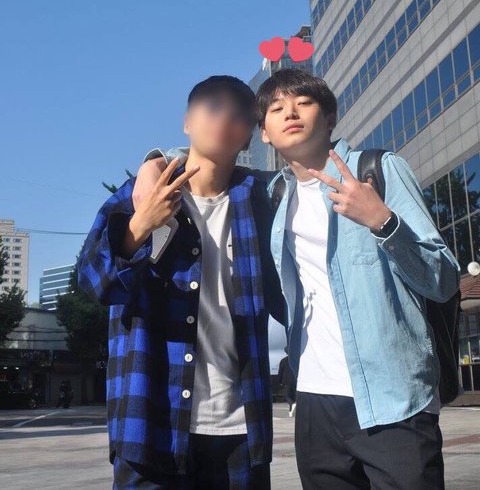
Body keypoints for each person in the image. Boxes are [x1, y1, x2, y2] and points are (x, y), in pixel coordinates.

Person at [136, 68, 460, 490]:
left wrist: (382, 221)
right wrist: (155, 162)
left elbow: (443, 278)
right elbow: (207, 156)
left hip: (392, 398)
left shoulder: (377, 170)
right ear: (263, 133)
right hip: (312, 402)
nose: (290, 113)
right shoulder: (273, 194)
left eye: (304, 103)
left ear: (329, 119)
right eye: (275, 108)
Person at [77, 75, 285, 490]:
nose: (224, 118)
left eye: (239, 114)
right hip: (151, 421)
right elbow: (93, 282)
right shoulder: (139, 194)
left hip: (240, 428)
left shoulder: (262, 200)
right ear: (187, 122)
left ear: (248, 135)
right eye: (213, 107)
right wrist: (140, 225)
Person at [277, 351, 297, 418]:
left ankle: (291, 405)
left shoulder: (283, 360)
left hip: (286, 381)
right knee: (295, 395)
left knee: (288, 396)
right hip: (296, 380)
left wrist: (279, 381)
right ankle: (293, 405)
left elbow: (280, 372)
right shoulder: (298, 360)